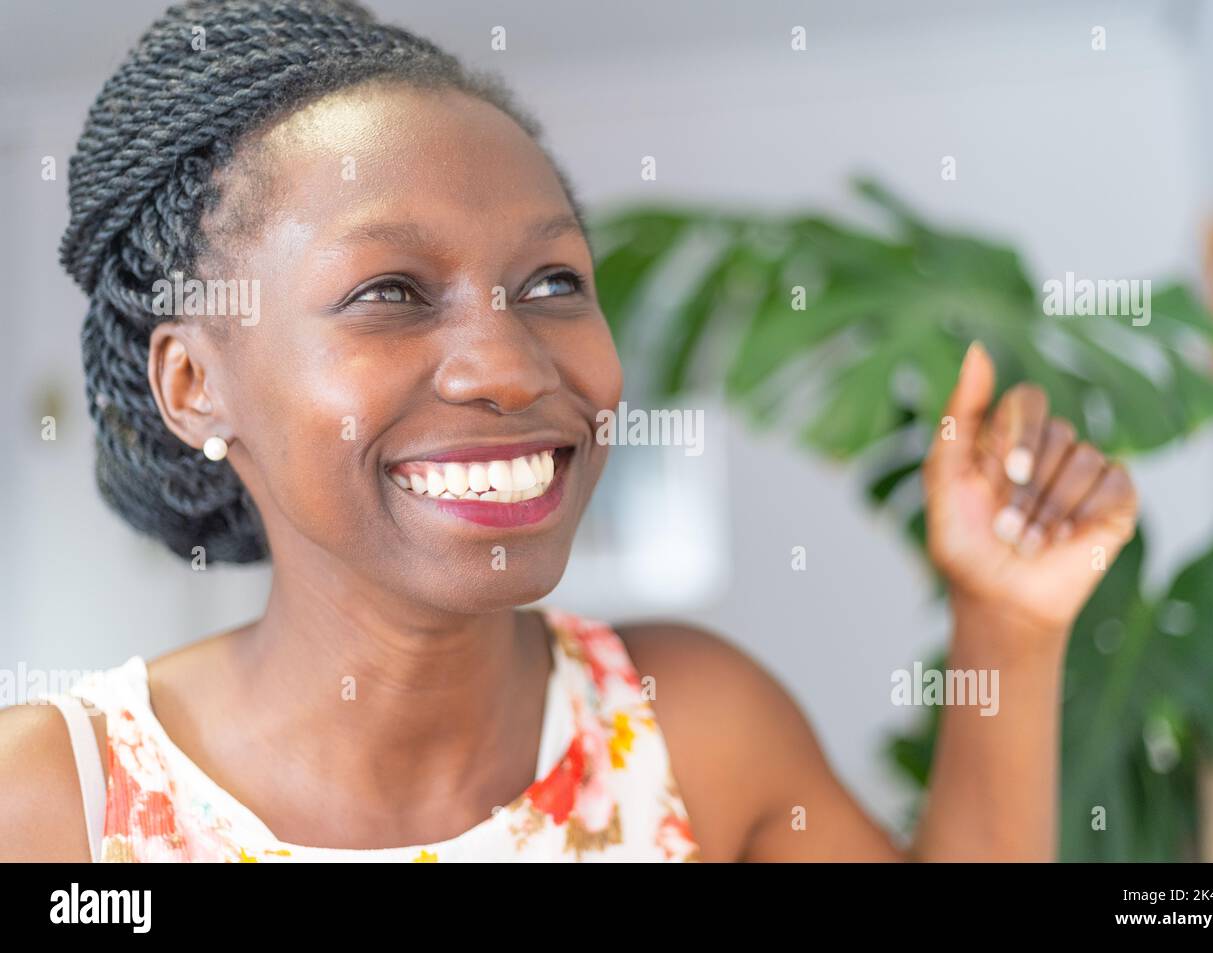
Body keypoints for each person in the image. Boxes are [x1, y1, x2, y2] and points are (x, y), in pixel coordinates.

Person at [0, 0, 1137, 862]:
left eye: (551, 282)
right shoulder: (54, 806)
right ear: (195, 383)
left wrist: (1007, 621)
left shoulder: (686, 726)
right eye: (389, 290)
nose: (506, 366)